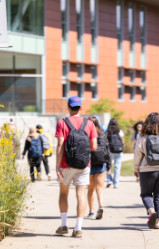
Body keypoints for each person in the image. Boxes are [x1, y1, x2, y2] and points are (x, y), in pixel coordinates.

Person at [55, 96, 98, 238]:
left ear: (68, 107)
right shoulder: (89, 124)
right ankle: (78, 228)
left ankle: (63, 225)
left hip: (65, 165)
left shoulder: (62, 123)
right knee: (81, 195)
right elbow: (94, 146)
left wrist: (57, 166)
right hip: (84, 164)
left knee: (63, 193)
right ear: (80, 108)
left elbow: (60, 145)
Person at [87, 115, 111, 220]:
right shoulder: (103, 134)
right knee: (99, 188)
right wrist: (109, 166)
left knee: (90, 189)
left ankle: (91, 211)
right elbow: (107, 151)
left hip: (89, 164)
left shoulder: (86, 134)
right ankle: (100, 206)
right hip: (101, 163)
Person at [106, 118, 124, 188]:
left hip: (110, 151)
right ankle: (116, 184)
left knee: (108, 166)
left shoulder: (108, 131)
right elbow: (122, 141)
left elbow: (106, 142)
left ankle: (109, 180)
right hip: (119, 151)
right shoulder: (120, 131)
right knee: (117, 167)